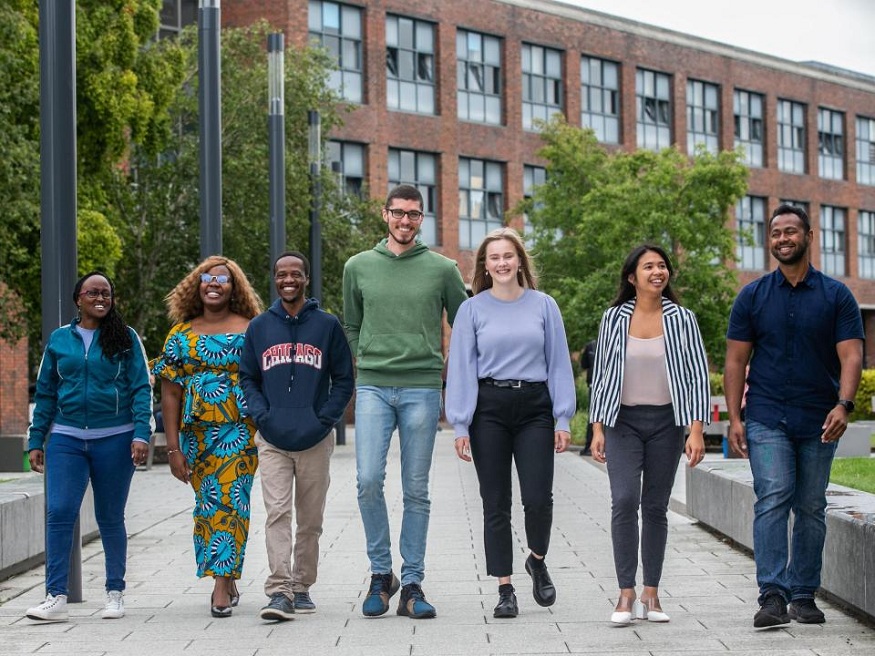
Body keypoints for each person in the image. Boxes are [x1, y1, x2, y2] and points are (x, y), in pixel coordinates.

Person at [725, 204, 863, 628]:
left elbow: (852, 353)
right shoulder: (752, 295)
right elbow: (735, 361)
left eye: (790, 232)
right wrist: (734, 418)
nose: (782, 239)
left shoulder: (836, 295)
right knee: (774, 495)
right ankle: (771, 593)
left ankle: (803, 595)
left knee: (811, 506)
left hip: (820, 417)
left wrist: (844, 403)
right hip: (767, 414)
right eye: (775, 233)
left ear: (808, 236)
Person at [342, 184, 468, 619]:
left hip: (421, 387)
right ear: (385, 214)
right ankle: (382, 574)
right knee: (367, 480)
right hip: (375, 386)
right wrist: (363, 356)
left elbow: (464, 324)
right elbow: (352, 323)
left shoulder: (442, 269)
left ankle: (412, 583)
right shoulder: (358, 267)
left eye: (414, 214)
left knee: (417, 490)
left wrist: (450, 374)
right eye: (398, 213)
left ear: (422, 218)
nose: (405, 221)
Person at [445, 227, 575, 619]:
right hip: (489, 408)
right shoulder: (472, 309)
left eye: (508, 256)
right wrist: (461, 424)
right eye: (494, 258)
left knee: (538, 498)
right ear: (485, 265)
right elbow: (462, 368)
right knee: (495, 501)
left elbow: (558, 362)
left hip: (535, 406)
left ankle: (537, 559)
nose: (502, 263)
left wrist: (563, 417)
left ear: (520, 260)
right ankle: (505, 588)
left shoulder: (544, 305)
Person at [589, 244, 709, 626]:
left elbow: (696, 375)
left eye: (662, 266)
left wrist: (696, 430)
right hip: (621, 422)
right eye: (648, 266)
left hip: (667, 424)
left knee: (655, 507)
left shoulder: (682, 319)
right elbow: (603, 374)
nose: (657, 272)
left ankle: (651, 594)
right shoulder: (613, 318)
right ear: (632, 277)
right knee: (624, 500)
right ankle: (625, 593)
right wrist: (597, 428)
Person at [25, 272, 153, 622]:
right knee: (60, 512)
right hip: (66, 438)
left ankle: (115, 592)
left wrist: (142, 434)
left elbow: (141, 387)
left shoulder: (125, 338)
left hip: (115, 438)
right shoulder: (59, 340)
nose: (101, 298)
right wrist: (36, 439)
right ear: (78, 298)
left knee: (110, 517)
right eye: (93, 292)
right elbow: (46, 391)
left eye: (107, 293)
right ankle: (55, 596)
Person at [240, 251, 354, 621]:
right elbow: (248, 378)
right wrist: (261, 415)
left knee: (310, 519)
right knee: (276, 513)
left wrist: (325, 419)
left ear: (306, 278)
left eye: (295, 274)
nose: (288, 280)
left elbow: (344, 379)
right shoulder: (259, 327)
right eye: (281, 274)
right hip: (272, 438)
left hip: (314, 437)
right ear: (274, 279)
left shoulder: (327, 325)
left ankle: (303, 585)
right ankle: (279, 590)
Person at [151, 256, 263, 618]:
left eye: (222, 278)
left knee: (232, 502)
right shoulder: (181, 334)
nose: (214, 284)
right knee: (207, 506)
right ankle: (226, 576)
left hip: (240, 431)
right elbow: (169, 393)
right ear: (196, 286)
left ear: (235, 287)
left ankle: (220, 585)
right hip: (196, 435)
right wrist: (172, 448)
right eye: (206, 278)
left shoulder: (253, 329)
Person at [580, 339, 597, 456]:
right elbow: (584, 364)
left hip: (595, 385)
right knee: (593, 417)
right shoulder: (590, 346)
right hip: (594, 385)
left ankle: (589, 446)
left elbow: (584, 364)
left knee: (593, 416)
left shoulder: (591, 346)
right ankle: (589, 446)